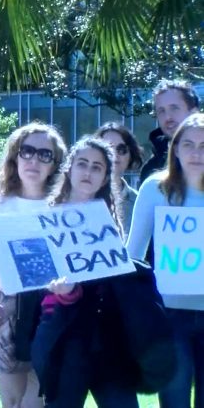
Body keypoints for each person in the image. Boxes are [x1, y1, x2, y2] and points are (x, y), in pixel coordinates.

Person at [32, 137, 139, 408]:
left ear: (105, 178)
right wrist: (64, 294)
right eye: (82, 164)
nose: (88, 172)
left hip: (107, 335)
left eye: (96, 167)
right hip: (62, 334)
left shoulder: (109, 223)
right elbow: (36, 277)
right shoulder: (44, 218)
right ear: (69, 168)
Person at [0, 123, 66, 408]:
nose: (34, 160)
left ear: (55, 164)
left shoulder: (64, 209)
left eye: (45, 154)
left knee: (36, 400)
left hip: (50, 309)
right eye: (27, 151)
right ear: (14, 157)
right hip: (6, 310)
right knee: (11, 400)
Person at [126, 113, 204, 408]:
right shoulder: (155, 189)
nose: (197, 153)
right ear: (176, 148)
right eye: (189, 144)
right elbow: (133, 253)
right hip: (168, 317)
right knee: (174, 401)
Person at [139, 79, 199, 183]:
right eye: (161, 111)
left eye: (174, 108)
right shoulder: (150, 170)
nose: (168, 117)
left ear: (193, 112)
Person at [94, 122, 144, 232]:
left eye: (121, 149)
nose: (115, 155)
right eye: (108, 149)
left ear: (131, 155)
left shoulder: (140, 203)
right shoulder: (80, 197)